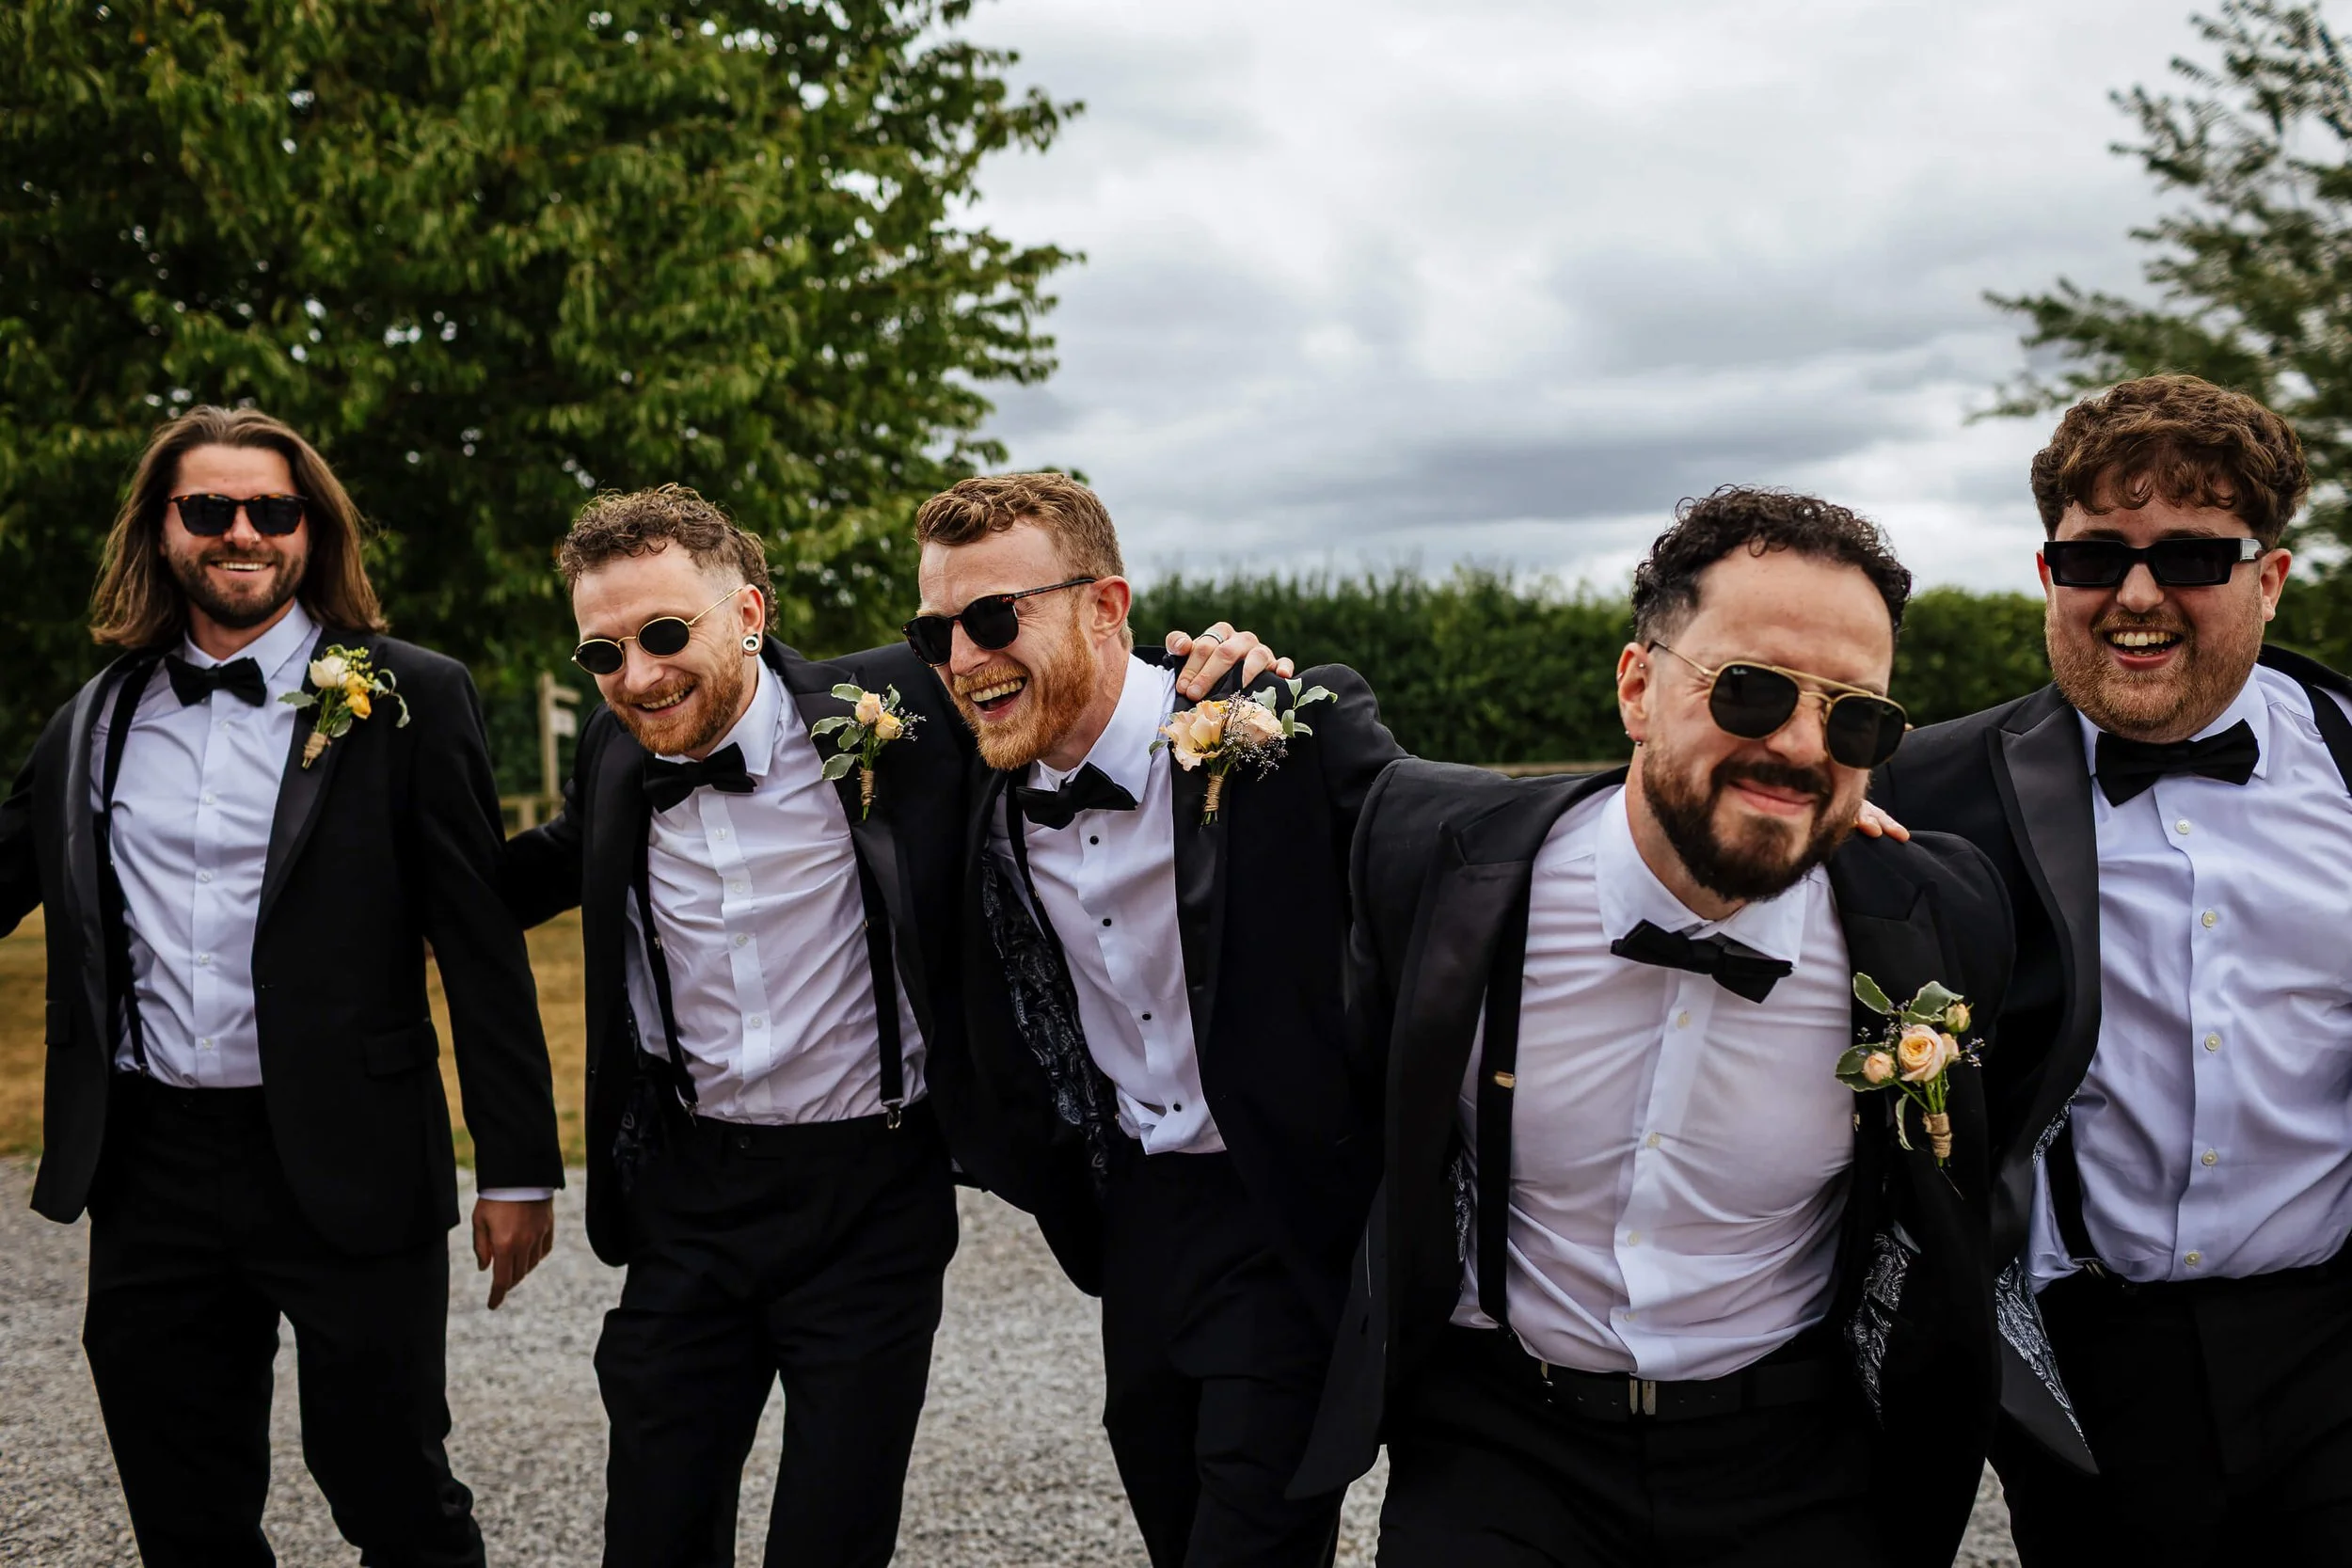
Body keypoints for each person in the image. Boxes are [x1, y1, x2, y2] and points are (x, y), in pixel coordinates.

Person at [500, 483, 1285, 1568]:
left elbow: (1046, 659)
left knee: (835, 1528)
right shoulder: (615, 748)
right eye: (602, 653)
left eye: (664, 634)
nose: (636, 675)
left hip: (870, 1195)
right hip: (692, 1196)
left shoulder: (900, 707)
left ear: (749, 616)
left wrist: (1223, 662)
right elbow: (543, 861)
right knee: (651, 1517)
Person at [1295, 487, 2027, 1568]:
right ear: (1638, 686)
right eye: (1750, 690)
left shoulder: (1935, 918)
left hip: (1800, 1466)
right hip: (1498, 1444)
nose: (1798, 743)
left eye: (1852, 716)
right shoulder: (1444, 859)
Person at [0, 405, 563, 1566]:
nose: (241, 531)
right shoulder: (94, 718)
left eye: (271, 509)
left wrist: (515, 1163)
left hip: (352, 1155)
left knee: (390, 1484)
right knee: (183, 1505)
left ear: (312, 529)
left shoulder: (411, 696)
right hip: (148, 1162)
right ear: (163, 531)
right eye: (209, 509)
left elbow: (479, 941)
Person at [1872, 373, 2352, 1565]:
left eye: (2190, 556)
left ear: (2269, 577)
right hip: (2092, 1361)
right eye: (2093, 560)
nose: (2135, 597)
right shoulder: (1926, 788)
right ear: (2048, 574)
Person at [907, 471, 1403, 1566]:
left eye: (994, 617)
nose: (961, 656)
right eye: (934, 629)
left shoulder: (1273, 727)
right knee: (1170, 1512)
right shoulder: (975, 785)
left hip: (1280, 1207)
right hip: (1135, 1214)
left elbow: (1448, 849)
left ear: (1106, 605)